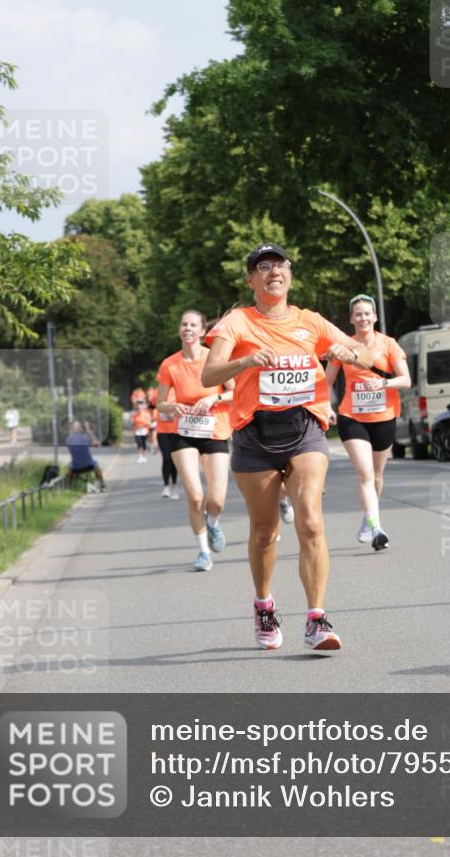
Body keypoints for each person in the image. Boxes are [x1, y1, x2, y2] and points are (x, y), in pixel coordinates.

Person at [202, 243, 374, 652]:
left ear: (290, 275)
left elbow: (365, 356)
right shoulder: (236, 323)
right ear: (251, 279)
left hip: (305, 429)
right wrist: (244, 363)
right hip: (254, 435)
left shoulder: (310, 321)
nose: (273, 271)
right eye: (263, 267)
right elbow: (210, 374)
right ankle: (264, 605)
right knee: (264, 533)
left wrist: (346, 351)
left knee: (311, 521)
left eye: (280, 265)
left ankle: (317, 619)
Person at [325, 293, 411, 550]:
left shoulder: (389, 344)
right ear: (352, 319)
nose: (363, 318)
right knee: (364, 473)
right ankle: (376, 528)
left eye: (367, 314)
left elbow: (405, 380)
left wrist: (383, 383)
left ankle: (367, 516)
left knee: (376, 476)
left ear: (374, 317)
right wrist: (326, 407)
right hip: (352, 417)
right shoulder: (344, 347)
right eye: (358, 314)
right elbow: (327, 382)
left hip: (384, 416)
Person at [157, 310, 234, 573]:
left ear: (202, 331)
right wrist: (173, 406)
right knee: (195, 496)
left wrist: (214, 399)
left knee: (217, 501)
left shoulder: (216, 360)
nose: (187, 328)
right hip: (183, 433)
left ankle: (213, 522)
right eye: (183, 324)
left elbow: (236, 392)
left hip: (215, 431)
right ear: (179, 330)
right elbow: (160, 404)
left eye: (193, 325)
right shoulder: (170, 364)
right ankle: (203, 552)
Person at [65, 421, 106, 490]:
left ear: (72, 429)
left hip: (75, 468)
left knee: (70, 466)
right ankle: (102, 484)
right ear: (81, 429)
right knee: (97, 467)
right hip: (89, 465)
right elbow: (96, 444)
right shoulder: (86, 437)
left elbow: (70, 451)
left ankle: (70, 487)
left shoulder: (68, 439)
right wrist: (88, 430)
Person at [156, 386, 179, 499]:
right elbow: (153, 406)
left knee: (174, 459)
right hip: (162, 430)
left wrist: (173, 413)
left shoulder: (178, 391)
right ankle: (166, 486)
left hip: (175, 430)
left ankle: (174, 485)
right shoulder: (159, 391)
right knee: (166, 458)